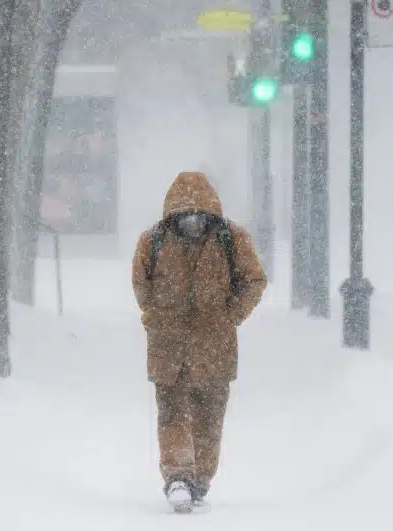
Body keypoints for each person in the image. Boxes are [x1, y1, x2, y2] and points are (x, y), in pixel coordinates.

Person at [131, 171, 267, 512]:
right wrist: (155, 316)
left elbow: (254, 281)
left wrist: (230, 315)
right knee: (173, 414)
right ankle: (178, 477)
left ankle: (199, 481)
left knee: (209, 419)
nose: (192, 222)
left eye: (198, 215)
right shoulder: (153, 241)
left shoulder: (231, 239)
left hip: (214, 347)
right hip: (169, 348)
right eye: (185, 215)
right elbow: (141, 283)